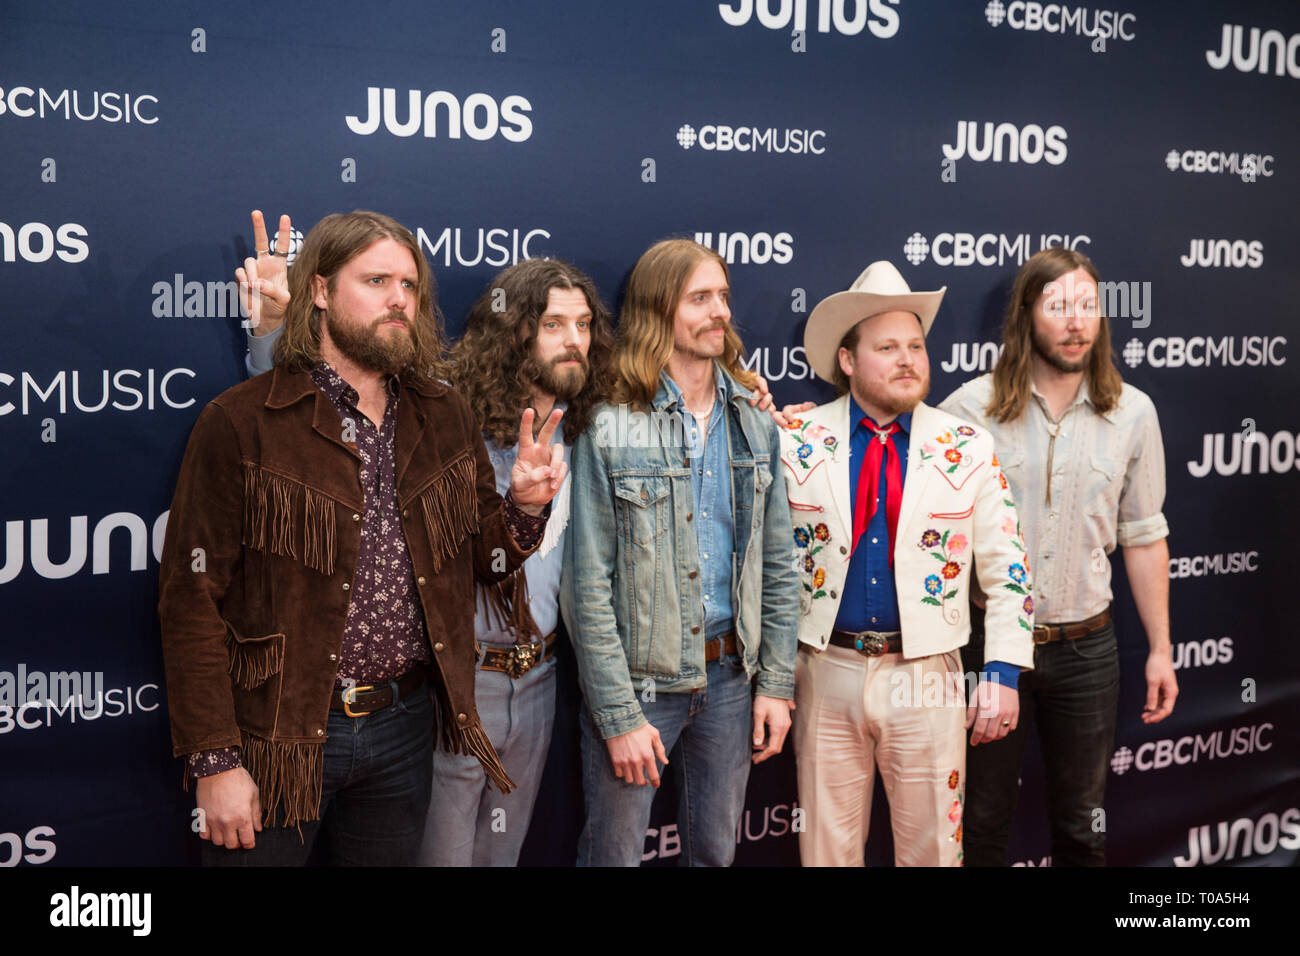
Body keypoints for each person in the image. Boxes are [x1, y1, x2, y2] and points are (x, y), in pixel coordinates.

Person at [158, 210, 566, 865]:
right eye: (376, 280)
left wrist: (523, 509)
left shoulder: (444, 413)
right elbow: (190, 601)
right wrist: (215, 761)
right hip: (279, 735)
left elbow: (485, 563)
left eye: (409, 284)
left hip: (402, 730)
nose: (398, 298)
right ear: (319, 292)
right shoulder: (241, 422)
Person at [782, 260, 1034, 866]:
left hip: (930, 673)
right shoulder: (794, 439)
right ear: (847, 361)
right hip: (822, 668)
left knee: (934, 854)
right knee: (826, 855)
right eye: (887, 347)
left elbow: (1009, 567)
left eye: (916, 346)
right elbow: (764, 563)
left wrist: (1001, 671)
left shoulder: (965, 445)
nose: (907, 360)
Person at [561, 238, 799, 866]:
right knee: (611, 858)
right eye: (700, 298)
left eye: (723, 296)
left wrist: (774, 685)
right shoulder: (611, 421)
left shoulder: (753, 417)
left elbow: (778, 563)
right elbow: (587, 584)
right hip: (640, 685)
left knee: (715, 855)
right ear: (657, 310)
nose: (719, 311)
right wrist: (616, 713)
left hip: (729, 678)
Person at [940, 246, 1176, 866]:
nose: (1075, 322)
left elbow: (1145, 535)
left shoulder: (1133, 414)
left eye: (1088, 307)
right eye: (1058, 306)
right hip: (989, 649)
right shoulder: (969, 410)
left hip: (1087, 650)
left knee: (1082, 829)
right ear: (1026, 315)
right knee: (980, 826)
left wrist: (1160, 649)